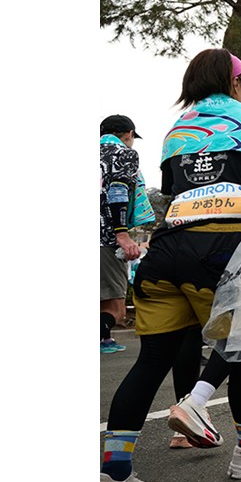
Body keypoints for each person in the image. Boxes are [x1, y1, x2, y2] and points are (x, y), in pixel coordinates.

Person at [101, 48, 241, 482]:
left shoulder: (176, 129)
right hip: (223, 251)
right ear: (236, 81)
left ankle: (115, 471)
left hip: (165, 250)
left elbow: (172, 191)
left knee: (152, 359)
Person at [101, 114, 152, 355]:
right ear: (129, 134)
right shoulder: (124, 153)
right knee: (117, 309)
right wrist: (122, 234)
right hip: (105, 238)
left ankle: (104, 339)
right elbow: (118, 191)